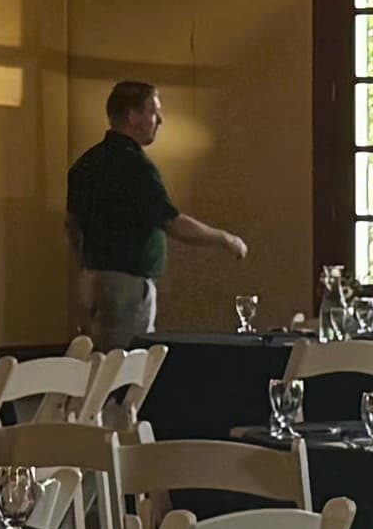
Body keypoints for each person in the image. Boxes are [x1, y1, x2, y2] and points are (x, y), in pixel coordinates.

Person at [65, 80, 244, 350]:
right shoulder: (135, 167)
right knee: (123, 369)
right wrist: (226, 239)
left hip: (93, 280)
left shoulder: (85, 164)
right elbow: (172, 222)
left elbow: (71, 224)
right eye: (153, 111)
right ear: (132, 116)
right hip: (126, 288)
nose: (159, 120)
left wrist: (88, 267)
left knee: (101, 364)